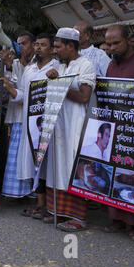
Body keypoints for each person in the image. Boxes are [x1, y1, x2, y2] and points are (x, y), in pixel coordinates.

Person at [0, 33, 59, 219]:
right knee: (34, 164)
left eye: (43, 45)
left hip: (49, 124)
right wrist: (9, 87)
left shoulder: (57, 67)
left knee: (47, 165)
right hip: (30, 125)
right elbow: (22, 95)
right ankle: (40, 204)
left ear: (51, 48)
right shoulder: (30, 69)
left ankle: (49, 206)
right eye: (37, 45)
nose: (38, 48)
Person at [44, 27, 96, 232]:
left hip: (76, 125)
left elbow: (84, 97)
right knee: (57, 167)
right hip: (59, 125)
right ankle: (58, 211)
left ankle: (78, 218)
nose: (55, 51)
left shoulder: (86, 65)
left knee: (73, 167)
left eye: (58, 47)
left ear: (70, 46)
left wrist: (60, 85)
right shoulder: (61, 66)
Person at [104, 24, 134, 242]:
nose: (111, 48)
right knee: (117, 173)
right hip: (115, 128)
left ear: (128, 40)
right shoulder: (111, 66)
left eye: (116, 43)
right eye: (108, 44)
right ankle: (117, 220)